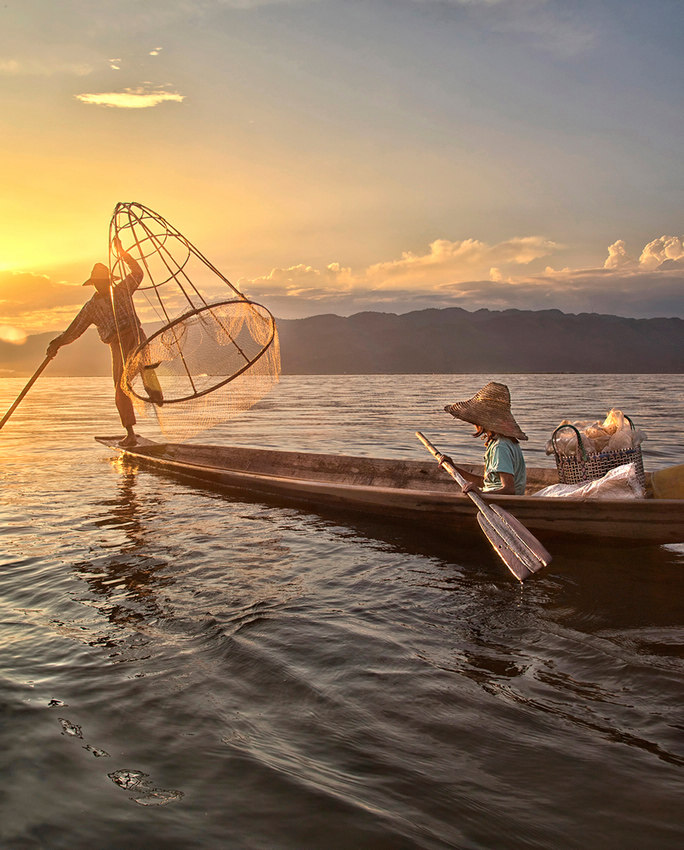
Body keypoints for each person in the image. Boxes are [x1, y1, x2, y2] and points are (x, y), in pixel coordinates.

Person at [46, 237, 149, 447]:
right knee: (121, 389)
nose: (102, 285)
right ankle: (130, 433)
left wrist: (123, 254)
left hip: (134, 335)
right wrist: (57, 343)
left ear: (109, 281)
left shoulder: (122, 289)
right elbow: (74, 330)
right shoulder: (91, 307)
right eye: (99, 283)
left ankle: (152, 385)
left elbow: (138, 273)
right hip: (116, 345)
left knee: (146, 366)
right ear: (95, 284)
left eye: (104, 282)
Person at [443, 381, 527, 496]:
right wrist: (454, 468)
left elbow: (509, 489)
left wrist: (481, 495)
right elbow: (486, 483)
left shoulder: (500, 447)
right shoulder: (499, 443)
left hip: (502, 505)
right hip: (493, 497)